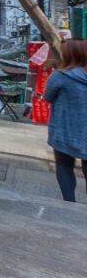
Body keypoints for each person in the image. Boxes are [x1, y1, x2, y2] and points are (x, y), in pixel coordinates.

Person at [42, 39, 87, 202]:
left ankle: (69, 203)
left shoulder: (61, 76)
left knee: (64, 166)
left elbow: (47, 97)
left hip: (65, 130)